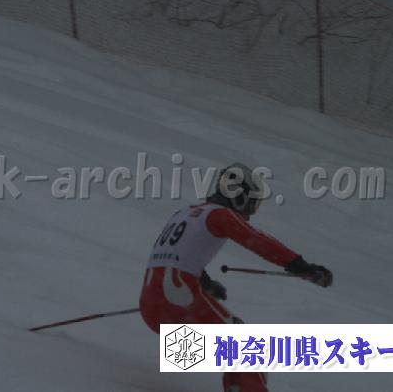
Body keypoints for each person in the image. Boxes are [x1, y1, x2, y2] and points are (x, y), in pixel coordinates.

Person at [139, 163, 333, 392]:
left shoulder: (185, 213)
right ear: (238, 195)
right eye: (252, 203)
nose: (251, 212)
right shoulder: (219, 215)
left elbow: (175, 256)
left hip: (151, 306)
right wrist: (300, 266)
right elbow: (257, 240)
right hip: (178, 300)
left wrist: (205, 284)